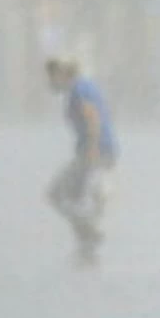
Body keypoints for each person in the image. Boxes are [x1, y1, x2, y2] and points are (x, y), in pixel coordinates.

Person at [45, 57, 117, 267]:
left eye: (52, 78)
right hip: (100, 150)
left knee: (57, 193)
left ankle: (88, 233)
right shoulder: (84, 86)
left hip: (93, 152)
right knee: (79, 197)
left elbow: (92, 115)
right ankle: (86, 242)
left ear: (60, 74)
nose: (50, 84)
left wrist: (93, 148)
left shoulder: (78, 89)